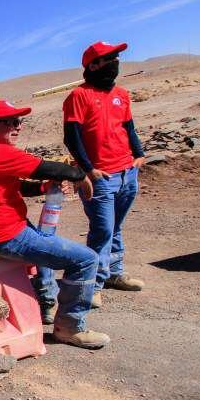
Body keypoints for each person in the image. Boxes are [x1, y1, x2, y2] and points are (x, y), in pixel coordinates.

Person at [0, 99, 109, 349]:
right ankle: (69, 327)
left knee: (46, 247)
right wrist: (81, 175)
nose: (18, 127)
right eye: (12, 122)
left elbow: (16, 186)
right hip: (5, 235)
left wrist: (43, 188)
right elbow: (47, 168)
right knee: (86, 259)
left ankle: (46, 306)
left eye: (20, 122)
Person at [63, 41, 146, 310]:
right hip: (101, 176)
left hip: (127, 172)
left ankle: (114, 273)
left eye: (116, 57)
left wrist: (139, 154)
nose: (115, 62)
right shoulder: (79, 96)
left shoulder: (122, 93)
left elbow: (129, 127)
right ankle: (95, 284)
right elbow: (72, 137)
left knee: (115, 227)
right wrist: (88, 170)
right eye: (109, 58)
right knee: (102, 231)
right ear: (93, 65)